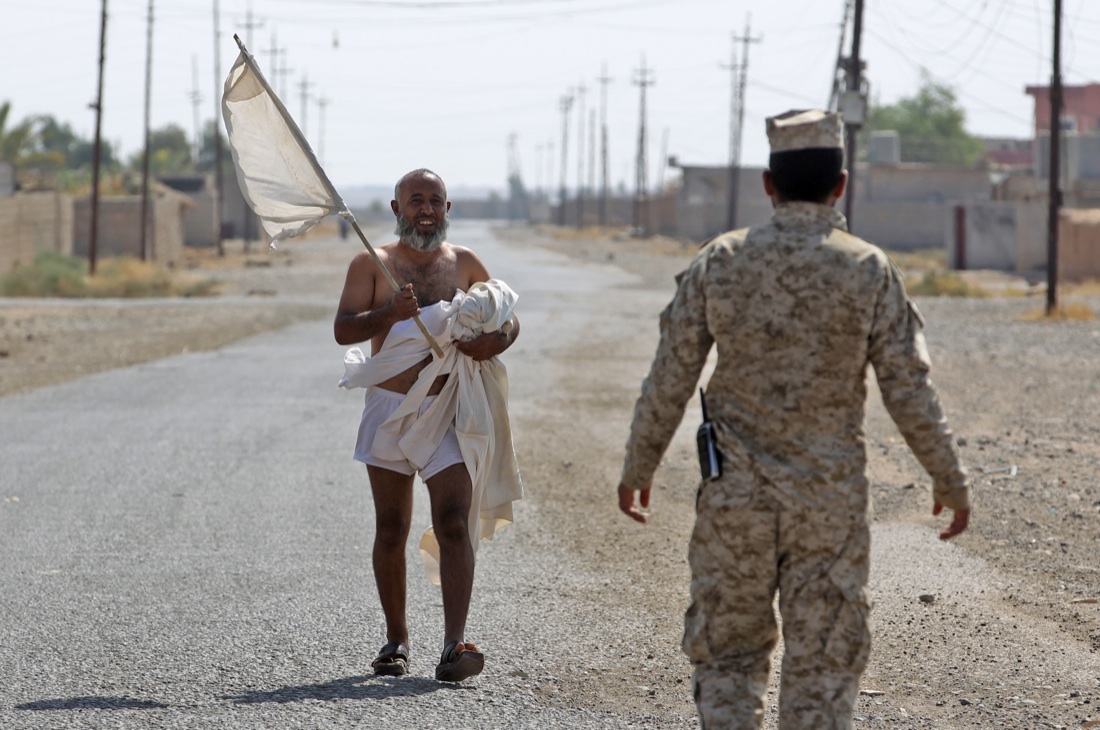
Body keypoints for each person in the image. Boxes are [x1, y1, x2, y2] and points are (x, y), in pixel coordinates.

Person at [616, 110, 971, 729]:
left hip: (736, 507)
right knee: (822, 670)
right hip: (827, 509)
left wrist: (638, 464)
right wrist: (949, 478)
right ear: (841, 185)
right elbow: (907, 389)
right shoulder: (867, 269)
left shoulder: (720, 261)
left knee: (728, 660)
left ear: (767, 184)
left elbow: (670, 375)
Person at [334, 168, 521, 683]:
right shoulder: (372, 265)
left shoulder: (463, 263)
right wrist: (389, 313)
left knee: (455, 521)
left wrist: (495, 342)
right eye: (415, 201)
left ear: (447, 208)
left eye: (434, 201)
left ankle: (453, 644)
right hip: (389, 411)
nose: (425, 210)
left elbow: (506, 314)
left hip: (449, 412)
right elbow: (343, 328)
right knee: (391, 529)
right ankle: (396, 641)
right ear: (396, 210)